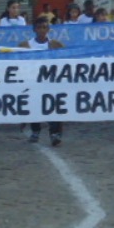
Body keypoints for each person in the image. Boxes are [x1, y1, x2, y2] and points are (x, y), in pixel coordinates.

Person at [19, 17, 65, 146]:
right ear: (34, 29)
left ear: (48, 29)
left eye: (45, 27)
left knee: (53, 106)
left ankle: (54, 133)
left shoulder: (56, 45)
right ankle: (35, 130)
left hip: (51, 82)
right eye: (39, 27)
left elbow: (66, 60)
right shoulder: (25, 45)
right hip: (33, 81)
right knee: (34, 105)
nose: (42, 30)